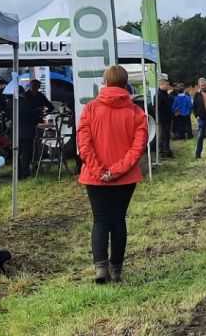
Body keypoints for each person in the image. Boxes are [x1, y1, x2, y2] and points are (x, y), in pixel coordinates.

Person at [76, 65, 149, 284]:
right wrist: (117, 170)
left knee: (100, 220)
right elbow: (138, 147)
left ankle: (101, 267)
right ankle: (116, 267)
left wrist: (99, 170)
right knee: (118, 220)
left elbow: (84, 144)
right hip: (125, 177)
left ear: (105, 82)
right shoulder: (137, 112)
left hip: (95, 177)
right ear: (126, 84)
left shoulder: (90, 108)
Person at [156, 77, 175, 159]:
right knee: (162, 136)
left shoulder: (166, 94)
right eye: (166, 85)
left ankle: (167, 152)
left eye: (168, 84)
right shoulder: (158, 95)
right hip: (162, 119)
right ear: (161, 84)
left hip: (168, 118)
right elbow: (157, 108)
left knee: (167, 136)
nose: (168, 86)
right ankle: (161, 153)